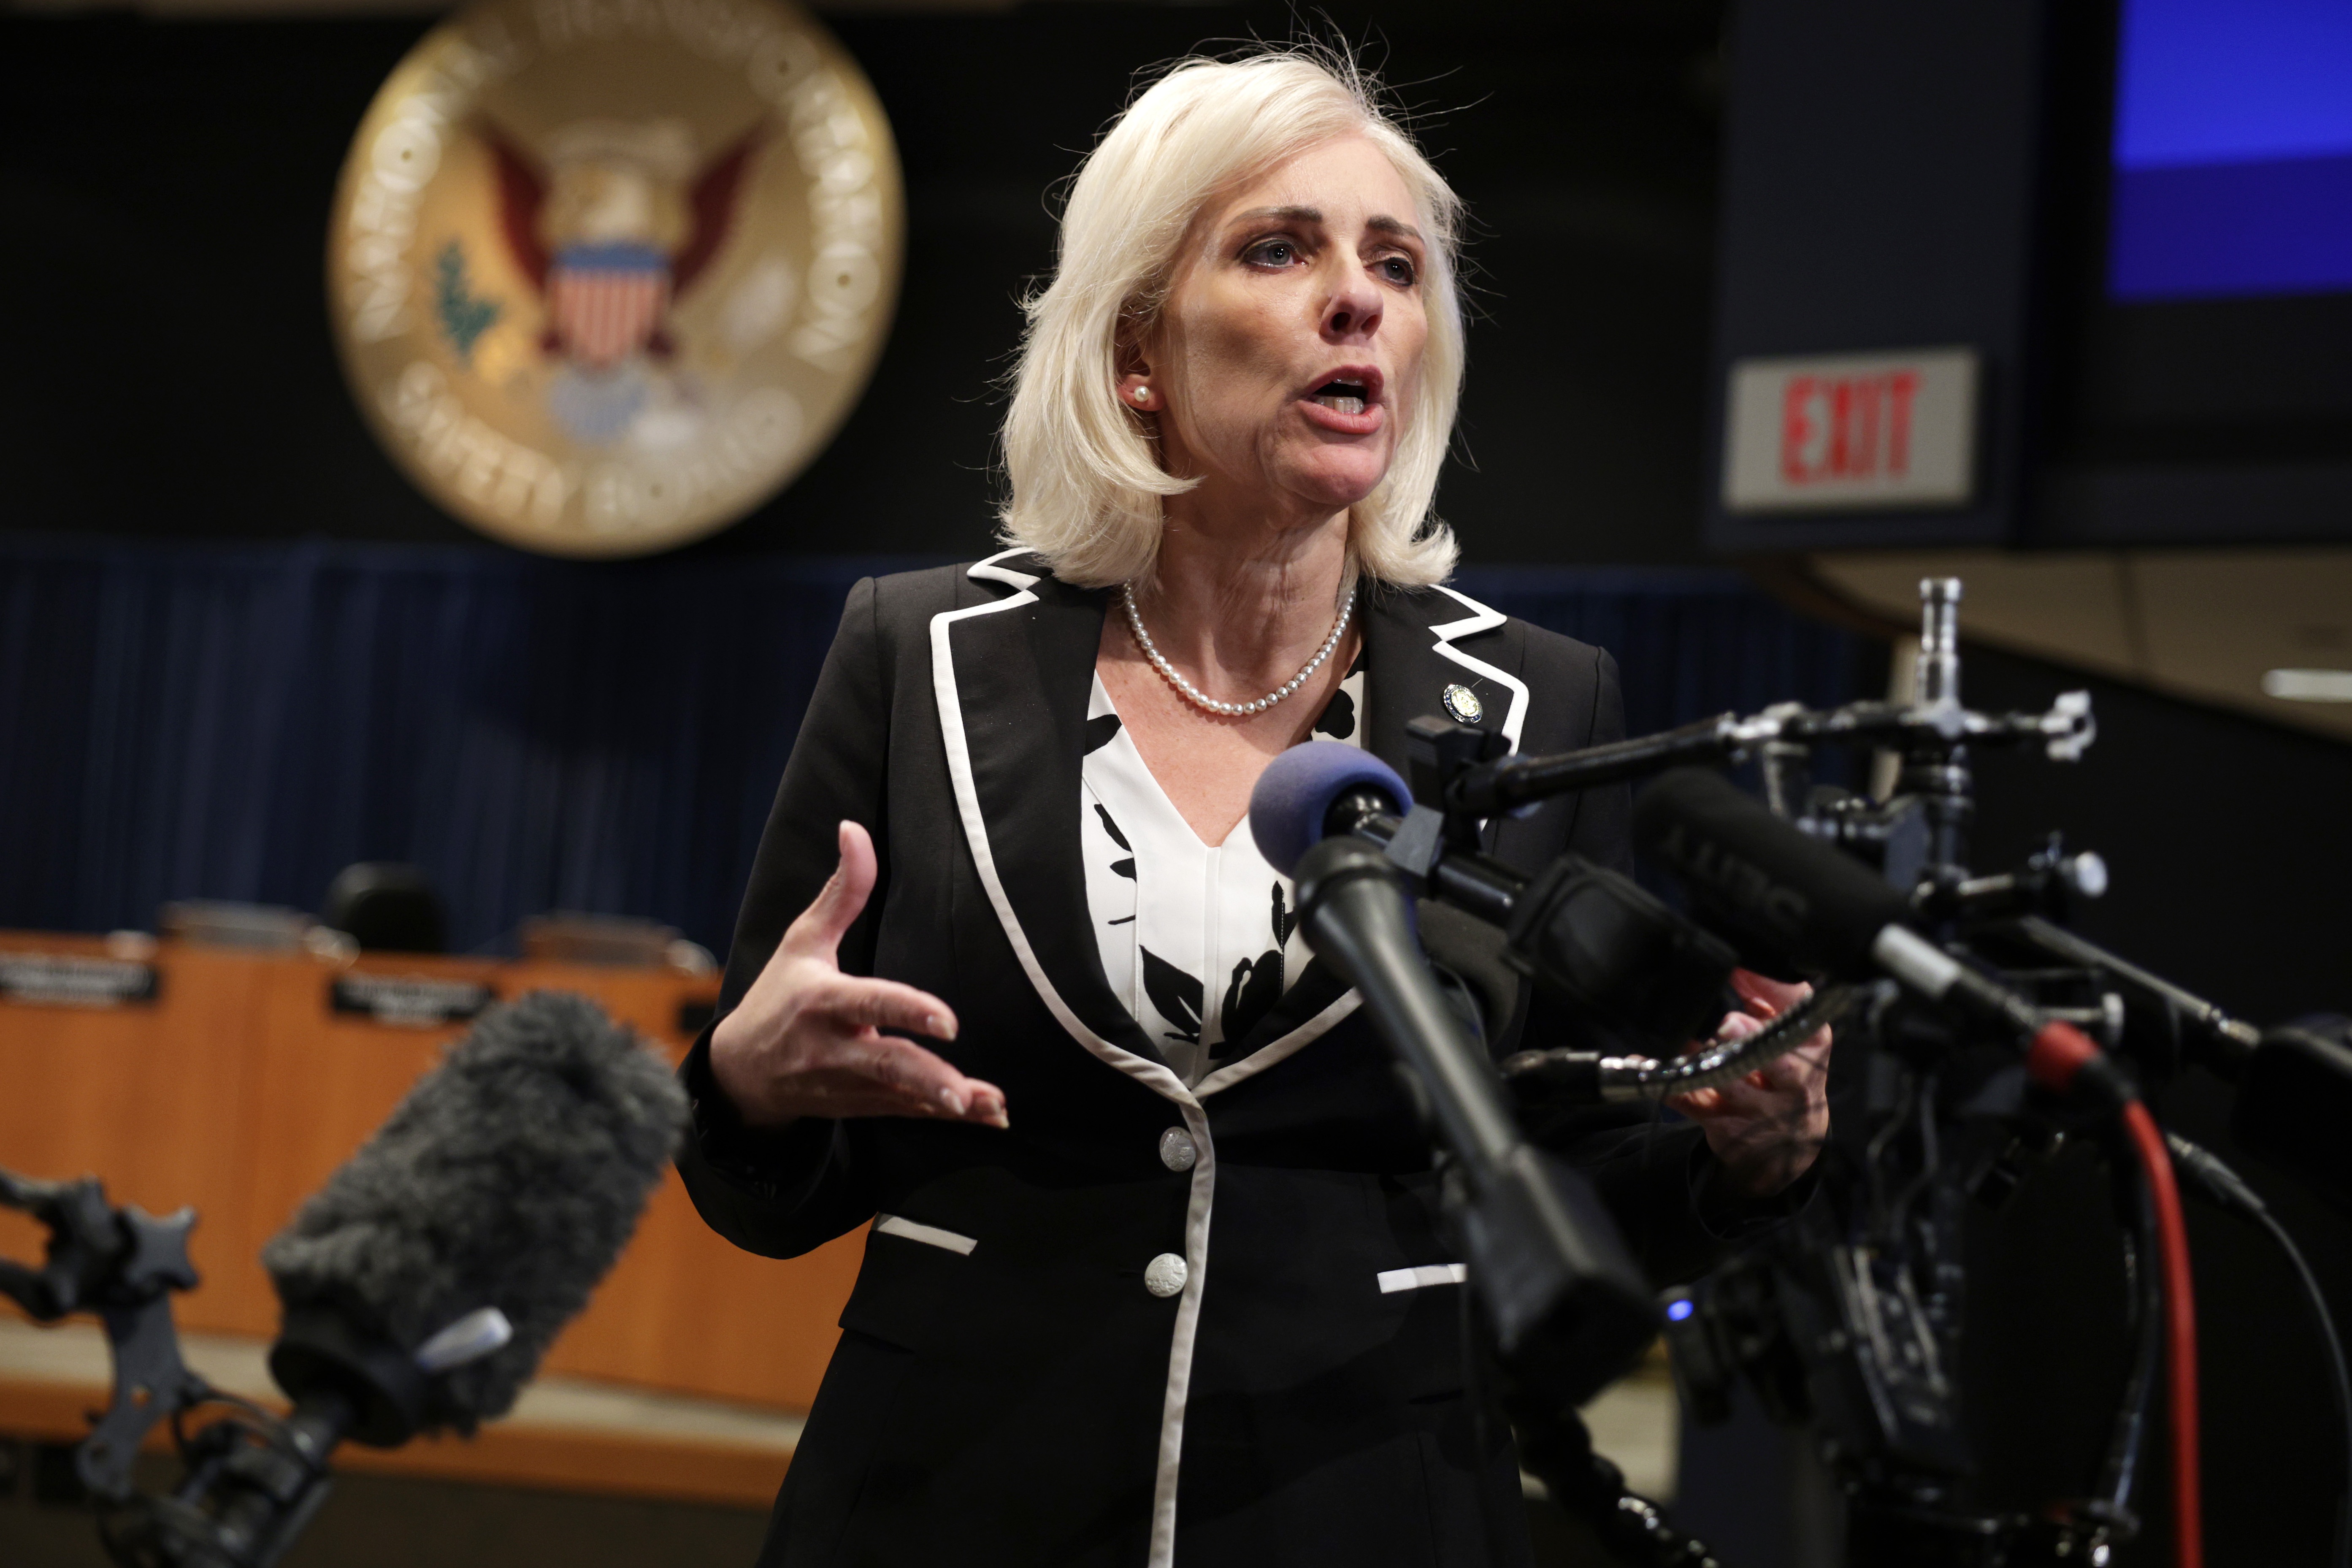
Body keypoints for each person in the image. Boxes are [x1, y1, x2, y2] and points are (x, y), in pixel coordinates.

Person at [676, 48, 1831, 1568]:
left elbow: (1569, 1178)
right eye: (1281, 249)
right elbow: (763, 1174)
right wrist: (748, 1089)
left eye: (1397, 265)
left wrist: (1743, 1156)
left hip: (1370, 1499)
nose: (1358, 298)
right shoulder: (916, 657)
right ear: (1138, 344)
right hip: (948, 1497)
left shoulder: (1545, 704)